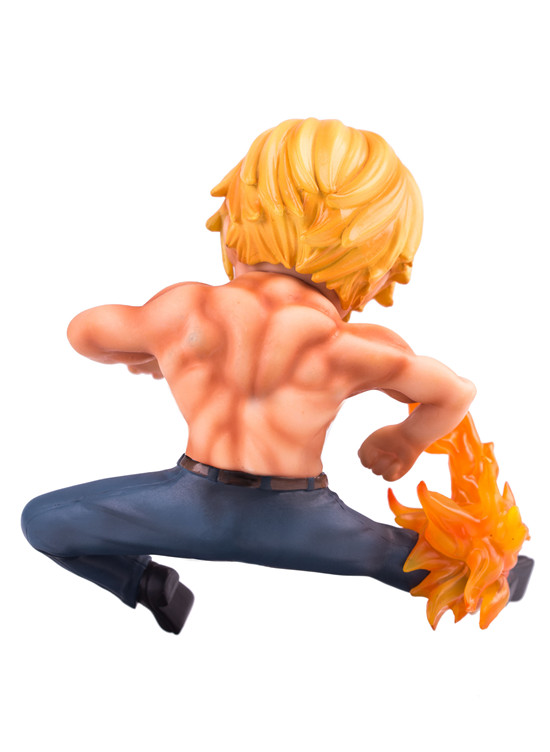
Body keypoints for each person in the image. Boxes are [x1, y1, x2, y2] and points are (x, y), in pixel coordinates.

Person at [21, 119, 526, 635]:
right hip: (302, 522)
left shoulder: (186, 312)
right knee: (407, 559)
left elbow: (85, 332)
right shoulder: (354, 346)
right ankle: (506, 576)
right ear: (380, 262)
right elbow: (454, 393)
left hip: (188, 509)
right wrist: (404, 440)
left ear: (236, 215)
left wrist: (147, 352)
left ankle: (148, 584)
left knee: (42, 523)